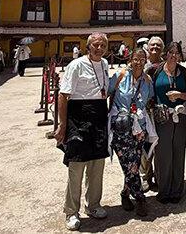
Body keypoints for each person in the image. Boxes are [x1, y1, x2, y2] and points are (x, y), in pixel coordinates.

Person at [54, 33, 111, 231]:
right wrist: (62, 125)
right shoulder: (76, 65)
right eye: (95, 45)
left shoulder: (105, 64)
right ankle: (71, 211)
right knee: (76, 168)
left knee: (97, 167)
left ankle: (93, 205)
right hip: (78, 118)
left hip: (99, 117)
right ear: (88, 46)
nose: (99, 48)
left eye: (102, 45)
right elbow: (63, 96)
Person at [108, 49, 154, 217]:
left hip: (139, 128)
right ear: (130, 59)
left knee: (133, 163)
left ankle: (125, 193)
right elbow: (106, 93)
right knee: (128, 163)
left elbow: (150, 100)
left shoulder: (147, 80)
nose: (138, 62)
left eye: (142, 59)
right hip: (121, 127)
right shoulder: (119, 76)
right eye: (136, 59)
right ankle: (140, 198)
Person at [146, 41, 186, 203]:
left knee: (178, 153)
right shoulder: (155, 71)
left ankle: (177, 190)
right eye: (171, 52)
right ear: (166, 54)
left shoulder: (184, 72)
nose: (173, 55)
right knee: (163, 154)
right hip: (161, 117)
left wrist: (179, 95)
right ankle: (164, 191)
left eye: (176, 53)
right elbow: (148, 91)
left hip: (180, 116)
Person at [139, 35, 165, 190]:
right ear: (147, 48)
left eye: (158, 45)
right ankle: (145, 176)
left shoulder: (166, 64)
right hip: (144, 110)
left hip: (160, 111)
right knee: (145, 144)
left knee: (160, 146)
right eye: (152, 45)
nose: (155, 48)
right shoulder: (141, 63)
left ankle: (159, 176)